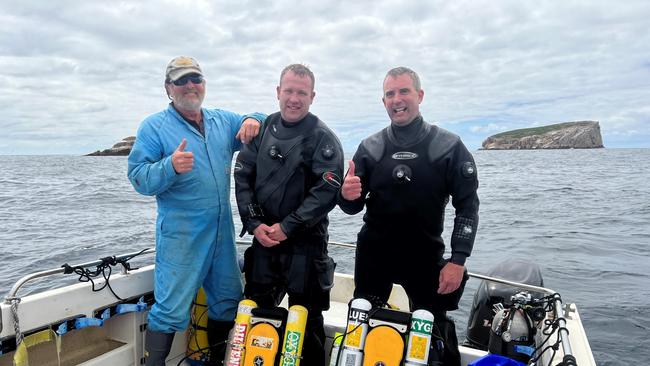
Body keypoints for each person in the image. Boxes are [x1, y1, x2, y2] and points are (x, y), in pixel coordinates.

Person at [127, 56, 265, 366]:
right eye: (181, 81)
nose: (190, 86)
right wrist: (169, 167)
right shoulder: (154, 127)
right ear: (168, 88)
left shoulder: (223, 121)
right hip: (181, 236)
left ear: (203, 84)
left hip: (222, 235)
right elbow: (138, 177)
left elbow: (260, 119)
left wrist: (253, 118)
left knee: (228, 302)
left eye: (196, 79)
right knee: (170, 309)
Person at [338, 66, 479, 365]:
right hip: (375, 253)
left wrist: (457, 261)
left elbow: (467, 206)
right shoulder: (371, 147)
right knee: (361, 326)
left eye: (404, 91)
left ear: (420, 95)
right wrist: (346, 195)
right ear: (383, 100)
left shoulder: (448, 147)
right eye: (390, 93)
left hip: (424, 255)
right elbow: (352, 206)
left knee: (434, 332)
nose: (397, 99)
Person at [234, 64, 344, 366]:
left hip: (306, 248)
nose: (294, 98)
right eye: (289, 91)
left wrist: (287, 227)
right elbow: (242, 176)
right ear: (278, 92)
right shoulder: (262, 130)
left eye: (302, 93)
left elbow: (326, 191)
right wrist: (255, 224)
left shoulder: (323, 138)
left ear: (312, 97)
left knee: (307, 327)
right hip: (264, 244)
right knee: (257, 318)